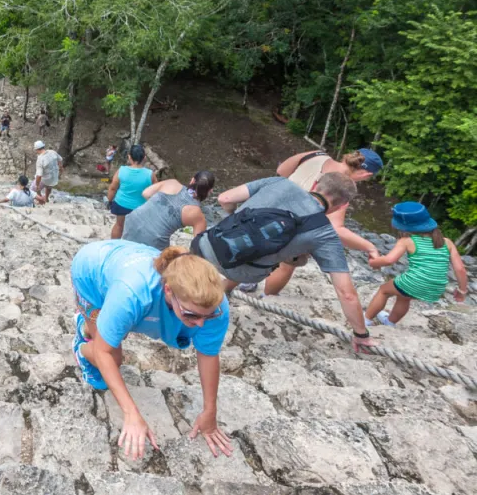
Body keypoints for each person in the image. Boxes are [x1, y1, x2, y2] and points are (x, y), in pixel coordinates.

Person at [71, 241, 233, 459]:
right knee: (111, 358)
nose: (201, 324)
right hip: (92, 272)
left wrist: (209, 412)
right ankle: (81, 347)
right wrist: (131, 413)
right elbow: (104, 353)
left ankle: (97, 328)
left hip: (123, 271)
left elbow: (208, 354)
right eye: (191, 315)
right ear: (168, 290)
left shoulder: (215, 304)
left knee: (112, 333)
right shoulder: (132, 293)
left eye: (209, 316)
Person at [195, 172, 376, 354]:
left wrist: (234, 218)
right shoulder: (325, 234)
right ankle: (224, 289)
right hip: (241, 273)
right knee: (290, 256)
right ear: (342, 206)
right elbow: (347, 294)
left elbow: (225, 198)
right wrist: (361, 334)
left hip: (204, 246)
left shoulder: (279, 182)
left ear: (314, 184)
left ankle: (221, 287)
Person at [243, 148, 384, 295]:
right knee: (286, 264)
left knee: (254, 247)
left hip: (265, 211)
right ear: (365, 174)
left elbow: (281, 171)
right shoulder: (342, 188)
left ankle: (245, 282)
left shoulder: (316, 154)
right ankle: (267, 297)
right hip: (290, 227)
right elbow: (338, 230)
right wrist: (370, 247)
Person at [366, 202, 468, 327]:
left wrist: (373, 262)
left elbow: (388, 260)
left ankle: (366, 320)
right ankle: (390, 322)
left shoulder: (407, 241)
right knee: (404, 296)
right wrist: (462, 291)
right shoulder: (446, 242)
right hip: (436, 287)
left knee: (384, 290)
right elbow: (460, 269)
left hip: (415, 282)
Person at [123, 172, 214, 250]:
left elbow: (145, 193)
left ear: (192, 181)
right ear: (210, 191)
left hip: (133, 220)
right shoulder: (197, 215)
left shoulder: (172, 183)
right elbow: (198, 245)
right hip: (154, 239)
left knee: (126, 250)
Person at [107, 145, 154, 238]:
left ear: (129, 157)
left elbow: (113, 188)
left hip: (122, 204)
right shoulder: (150, 174)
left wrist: (110, 201)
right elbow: (156, 191)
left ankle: (113, 246)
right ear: (144, 158)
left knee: (119, 226)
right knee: (138, 229)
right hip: (141, 208)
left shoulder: (122, 170)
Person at [33, 141, 64, 205]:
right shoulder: (52, 152)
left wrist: (37, 185)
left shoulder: (40, 159)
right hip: (54, 178)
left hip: (46, 179)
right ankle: (46, 198)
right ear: (43, 146)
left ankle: (41, 201)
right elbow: (60, 159)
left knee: (33, 189)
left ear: (37, 149)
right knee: (49, 186)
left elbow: (39, 175)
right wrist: (61, 168)